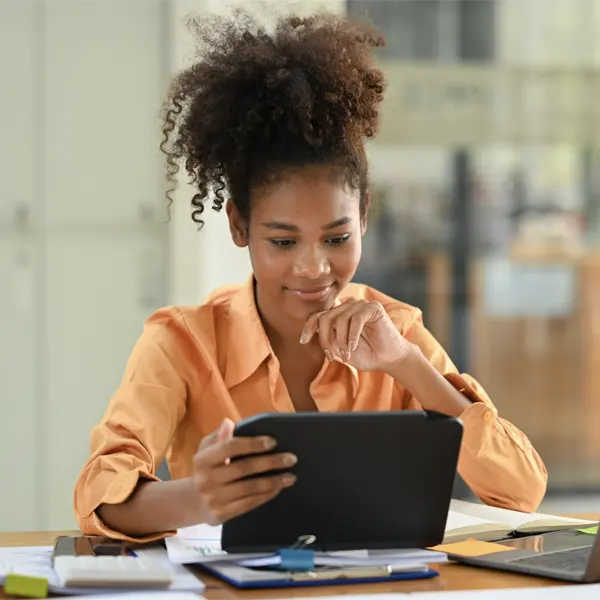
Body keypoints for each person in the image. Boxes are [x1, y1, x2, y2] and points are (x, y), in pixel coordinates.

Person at [74, 10, 547, 542]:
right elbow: (98, 493)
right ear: (238, 225)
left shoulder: (396, 330)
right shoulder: (182, 341)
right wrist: (193, 498)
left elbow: (520, 490)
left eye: (337, 238)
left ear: (364, 216)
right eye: (282, 241)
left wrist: (408, 366)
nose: (314, 268)